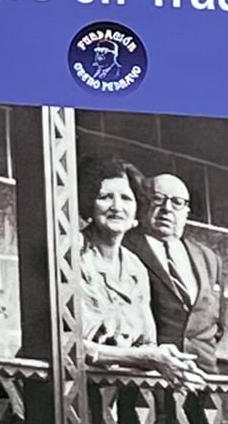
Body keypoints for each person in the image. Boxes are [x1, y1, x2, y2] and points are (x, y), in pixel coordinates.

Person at [76, 164, 200, 384]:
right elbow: (67, 345)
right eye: (105, 197)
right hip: (71, 388)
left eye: (126, 198)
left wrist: (168, 356)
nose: (117, 207)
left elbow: (146, 343)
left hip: (119, 393)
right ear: (89, 203)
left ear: (137, 207)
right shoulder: (73, 253)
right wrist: (147, 357)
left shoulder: (135, 266)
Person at [125, 173, 226, 366]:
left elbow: (218, 324)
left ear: (186, 211)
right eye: (158, 199)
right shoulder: (125, 247)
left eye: (177, 202)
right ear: (143, 203)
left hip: (204, 378)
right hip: (149, 377)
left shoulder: (209, 258)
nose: (167, 209)